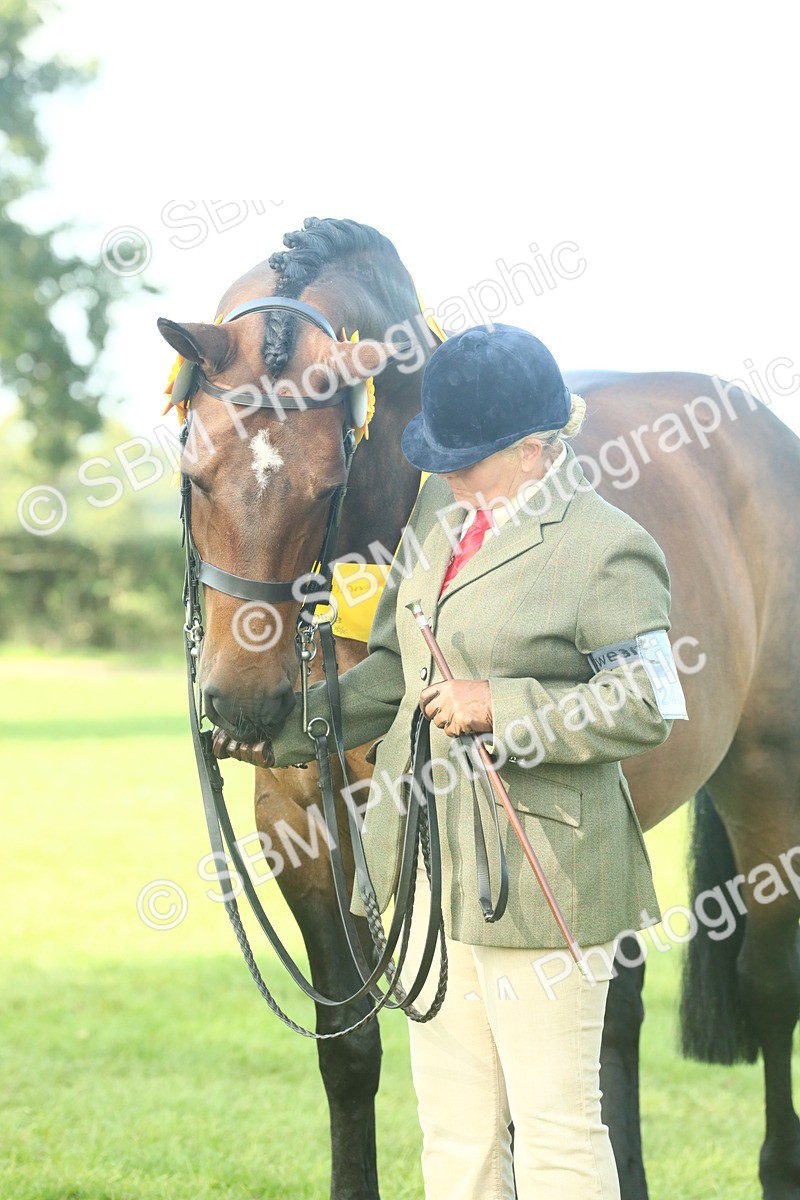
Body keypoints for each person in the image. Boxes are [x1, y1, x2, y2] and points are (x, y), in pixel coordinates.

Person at [268, 323, 686, 1199]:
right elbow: (397, 667)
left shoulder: (605, 547)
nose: (447, 472)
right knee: (454, 1131)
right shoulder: (435, 518)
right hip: (425, 866)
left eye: (467, 457)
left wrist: (505, 705)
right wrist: (288, 724)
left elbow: (650, 702)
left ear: (536, 449)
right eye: (439, 453)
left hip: (545, 878)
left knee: (557, 1135)